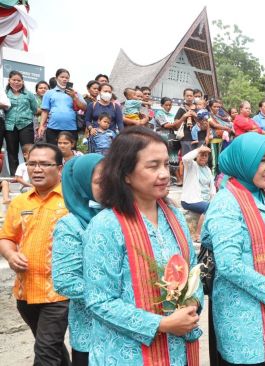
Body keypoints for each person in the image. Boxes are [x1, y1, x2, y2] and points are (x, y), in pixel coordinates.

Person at [82, 127, 202, 365]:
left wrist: (192, 304)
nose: (164, 174)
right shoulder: (106, 225)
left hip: (177, 349)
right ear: (126, 173)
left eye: (166, 165)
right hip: (129, 353)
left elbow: (192, 269)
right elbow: (99, 301)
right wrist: (162, 324)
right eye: (152, 166)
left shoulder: (175, 217)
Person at [202, 132, 265, 365]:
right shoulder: (226, 202)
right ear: (243, 161)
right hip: (245, 322)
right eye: (261, 160)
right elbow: (229, 264)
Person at [0, 143, 71, 366]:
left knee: (45, 354)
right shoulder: (20, 202)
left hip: (58, 294)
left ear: (59, 169)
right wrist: (11, 255)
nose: (36, 169)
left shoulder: (71, 201)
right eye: (31, 163)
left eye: (44, 164)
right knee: (51, 347)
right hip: (25, 292)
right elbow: (6, 238)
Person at [52, 153, 104, 366]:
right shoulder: (71, 225)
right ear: (82, 185)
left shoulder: (121, 215)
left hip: (129, 332)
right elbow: (66, 280)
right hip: (91, 333)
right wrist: (114, 298)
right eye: (101, 181)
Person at [38, 68, 87, 144]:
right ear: (56, 78)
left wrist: (74, 97)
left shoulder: (75, 93)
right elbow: (45, 111)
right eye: (62, 77)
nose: (65, 79)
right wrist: (41, 126)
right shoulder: (49, 93)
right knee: (54, 152)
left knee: (70, 153)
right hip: (52, 128)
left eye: (67, 78)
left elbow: (84, 108)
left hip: (71, 128)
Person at [4, 70, 38, 175]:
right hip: (9, 126)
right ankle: (15, 176)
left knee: (28, 151)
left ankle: (30, 174)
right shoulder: (4, 94)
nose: (16, 82)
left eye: (19, 80)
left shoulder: (29, 94)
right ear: (9, 81)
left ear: (22, 82)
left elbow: (34, 109)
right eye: (14, 80)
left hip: (26, 125)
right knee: (12, 151)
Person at [181, 145, 215, 241]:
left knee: (214, 207)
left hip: (203, 201)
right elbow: (185, 158)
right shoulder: (192, 165)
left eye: (206, 155)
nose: (203, 157)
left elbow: (212, 189)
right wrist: (199, 149)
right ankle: (198, 234)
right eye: (201, 155)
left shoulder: (208, 170)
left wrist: (214, 200)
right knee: (209, 208)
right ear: (197, 156)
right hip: (190, 200)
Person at [207, 99, 233, 175]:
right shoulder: (208, 115)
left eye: (218, 107)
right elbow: (214, 125)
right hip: (213, 140)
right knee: (214, 162)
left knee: (219, 161)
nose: (217, 108)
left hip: (221, 139)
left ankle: (218, 178)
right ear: (210, 107)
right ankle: (212, 179)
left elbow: (228, 121)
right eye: (214, 107)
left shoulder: (219, 116)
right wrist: (225, 128)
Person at [174, 88, 199, 155]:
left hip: (199, 137)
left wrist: (195, 115)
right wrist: (184, 117)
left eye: (191, 96)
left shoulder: (198, 108)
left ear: (193, 96)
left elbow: (204, 123)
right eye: (187, 96)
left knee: (197, 159)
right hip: (186, 138)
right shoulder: (181, 109)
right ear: (184, 96)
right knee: (186, 159)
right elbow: (176, 125)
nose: (189, 97)